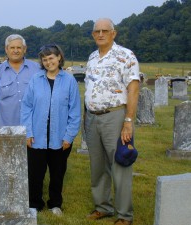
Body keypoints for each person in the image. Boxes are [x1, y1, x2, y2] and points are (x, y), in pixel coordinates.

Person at [84, 18, 140, 225]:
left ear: (113, 33)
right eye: (96, 31)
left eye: (104, 31)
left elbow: (133, 89)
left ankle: (124, 215)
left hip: (115, 116)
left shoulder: (126, 56)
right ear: (92, 34)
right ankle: (103, 207)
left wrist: (128, 120)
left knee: (120, 164)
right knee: (97, 166)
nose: (100, 34)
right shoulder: (92, 57)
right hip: (92, 117)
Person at [21, 44, 81, 216]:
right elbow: (26, 107)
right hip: (37, 135)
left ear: (59, 58)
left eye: (51, 58)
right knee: (35, 173)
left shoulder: (69, 80)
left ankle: (55, 204)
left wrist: (69, 136)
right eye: (45, 59)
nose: (48, 62)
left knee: (57, 172)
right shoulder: (36, 79)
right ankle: (34, 203)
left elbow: (74, 111)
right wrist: (28, 132)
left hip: (60, 137)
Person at [0, 34, 40, 127]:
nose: (15, 51)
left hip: (34, 128)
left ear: (24, 49)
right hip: (6, 129)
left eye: (19, 47)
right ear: (6, 49)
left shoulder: (38, 69)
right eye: (12, 47)